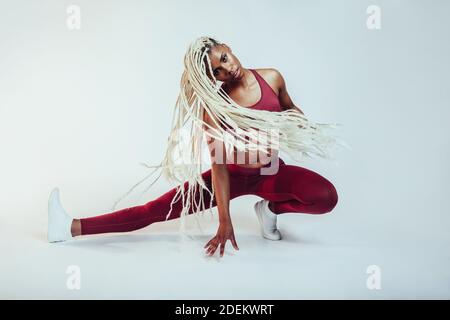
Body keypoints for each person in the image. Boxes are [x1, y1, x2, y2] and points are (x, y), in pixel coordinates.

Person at [48, 36, 343, 258]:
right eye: (217, 71)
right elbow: (219, 167)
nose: (228, 69)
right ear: (210, 79)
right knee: (155, 210)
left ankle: (269, 209)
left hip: (272, 171)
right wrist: (224, 222)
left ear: (228, 47)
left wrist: (299, 123)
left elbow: (291, 109)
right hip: (232, 176)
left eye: (225, 58)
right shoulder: (215, 109)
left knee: (325, 197)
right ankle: (70, 227)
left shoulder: (272, 77)